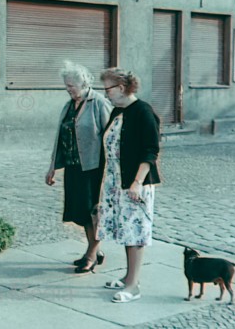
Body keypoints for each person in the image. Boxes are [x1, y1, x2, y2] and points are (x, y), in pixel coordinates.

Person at [95, 67, 161, 303]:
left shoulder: (143, 111)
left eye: (107, 89)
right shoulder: (117, 111)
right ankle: (128, 277)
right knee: (126, 231)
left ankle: (133, 286)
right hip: (117, 181)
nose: (106, 94)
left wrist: (136, 182)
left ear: (121, 88)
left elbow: (151, 150)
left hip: (135, 183)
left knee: (135, 233)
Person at [46, 61, 112, 273]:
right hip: (74, 167)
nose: (68, 89)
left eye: (71, 85)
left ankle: (91, 255)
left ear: (83, 83)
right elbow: (61, 138)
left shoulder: (98, 103)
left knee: (93, 212)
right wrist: (53, 168)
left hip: (93, 168)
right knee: (82, 213)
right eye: (66, 85)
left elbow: (111, 135)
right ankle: (94, 250)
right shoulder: (69, 105)